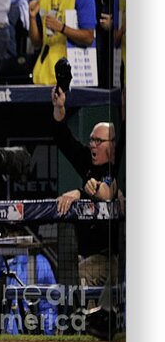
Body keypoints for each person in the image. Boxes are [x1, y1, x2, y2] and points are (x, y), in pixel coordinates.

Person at [52, 86, 120, 286]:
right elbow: (63, 139)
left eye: (98, 141)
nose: (92, 145)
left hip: (115, 257)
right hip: (90, 255)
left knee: (82, 274)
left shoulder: (120, 168)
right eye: (91, 140)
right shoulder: (89, 162)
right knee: (75, 274)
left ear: (113, 144)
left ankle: (87, 318)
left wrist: (80, 193)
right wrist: (59, 107)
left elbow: (107, 193)